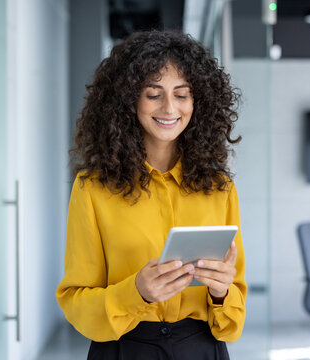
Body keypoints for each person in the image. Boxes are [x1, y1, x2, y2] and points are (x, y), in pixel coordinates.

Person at [56, 30, 246, 360]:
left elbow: (233, 324)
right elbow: (76, 303)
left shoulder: (220, 189)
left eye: (182, 94)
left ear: (197, 101)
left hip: (200, 349)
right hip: (123, 348)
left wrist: (220, 292)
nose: (170, 108)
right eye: (153, 94)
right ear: (129, 100)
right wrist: (136, 293)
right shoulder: (93, 189)